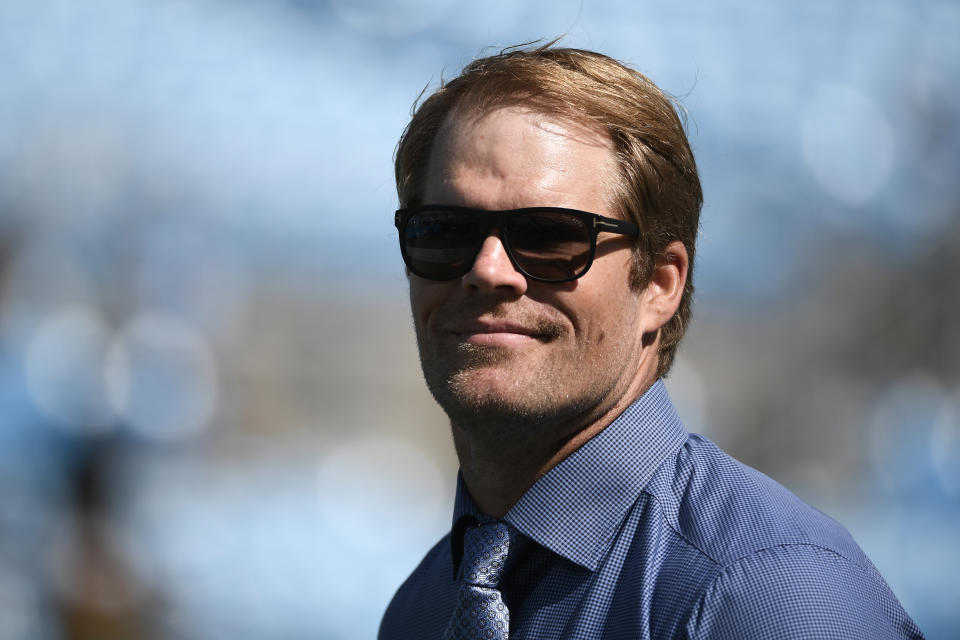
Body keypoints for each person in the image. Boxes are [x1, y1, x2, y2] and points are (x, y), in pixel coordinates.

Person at [379, 43, 924, 640]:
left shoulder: (769, 597)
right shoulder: (423, 609)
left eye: (549, 235)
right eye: (443, 232)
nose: (487, 270)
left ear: (660, 286)